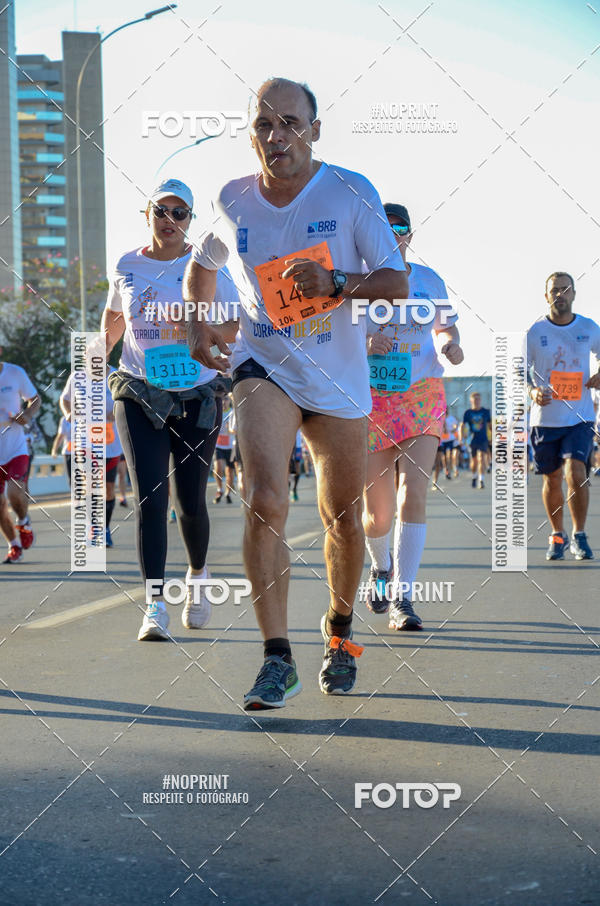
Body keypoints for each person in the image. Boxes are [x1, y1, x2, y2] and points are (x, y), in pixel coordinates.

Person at [185, 78, 408, 708]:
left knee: (343, 518)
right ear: (251, 134)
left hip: (338, 376)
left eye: (289, 122)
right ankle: (276, 658)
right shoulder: (232, 199)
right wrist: (198, 325)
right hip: (265, 365)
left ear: (314, 130)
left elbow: (396, 282)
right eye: (263, 124)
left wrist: (335, 281)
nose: (276, 135)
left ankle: (339, 630)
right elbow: (202, 264)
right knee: (264, 500)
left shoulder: (349, 191)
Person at [101, 178, 239, 639]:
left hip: (196, 393)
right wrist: (91, 360)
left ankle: (198, 576)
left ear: (190, 220)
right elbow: (114, 318)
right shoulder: (126, 264)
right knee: (150, 498)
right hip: (139, 389)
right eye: (161, 211)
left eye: (180, 213)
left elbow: (238, 322)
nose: (170, 220)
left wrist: (206, 332)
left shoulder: (207, 265)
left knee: (190, 501)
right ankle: (154, 605)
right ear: (147, 215)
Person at [362, 203, 463, 626]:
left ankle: (403, 598)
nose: (393, 235)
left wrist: (448, 345)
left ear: (409, 234)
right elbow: (333, 337)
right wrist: (366, 344)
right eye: (383, 228)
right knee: (377, 513)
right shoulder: (356, 282)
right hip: (371, 398)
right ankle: (381, 566)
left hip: (421, 394)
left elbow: (445, 326)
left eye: (399, 228)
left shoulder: (428, 280)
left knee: (413, 494)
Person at [527, 271, 600, 560]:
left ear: (573, 294)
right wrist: (532, 390)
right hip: (545, 419)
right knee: (552, 478)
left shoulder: (588, 327)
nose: (560, 294)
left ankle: (579, 535)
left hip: (580, 417)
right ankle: (558, 534)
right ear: (546, 296)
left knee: (576, 471)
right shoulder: (535, 332)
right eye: (555, 290)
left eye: (565, 289)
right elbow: (519, 368)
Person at [59, 369, 123, 547]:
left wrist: (116, 412)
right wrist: (68, 413)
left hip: (110, 443)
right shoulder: (76, 376)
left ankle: (105, 528)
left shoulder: (116, 375)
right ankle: (94, 527)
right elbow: (64, 399)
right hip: (85, 442)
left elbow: (128, 401)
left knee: (108, 490)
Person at [0, 355, 39, 564]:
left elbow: (36, 399)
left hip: (15, 447)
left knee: (14, 492)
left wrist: (27, 415)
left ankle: (23, 521)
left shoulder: (14, 373)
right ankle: (14, 546)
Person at [462, 392, 491, 488]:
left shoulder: (486, 411)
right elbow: (462, 425)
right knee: (474, 461)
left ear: (480, 400)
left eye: (478, 399)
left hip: (483, 439)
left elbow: (490, 425)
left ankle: (481, 480)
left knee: (481, 458)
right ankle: (474, 476)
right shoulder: (468, 413)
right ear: (471, 401)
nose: (477, 401)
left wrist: (493, 436)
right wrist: (462, 436)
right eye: (475, 399)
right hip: (472, 440)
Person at [213, 396, 235, 503]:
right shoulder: (216, 412)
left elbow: (236, 429)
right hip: (218, 445)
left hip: (231, 446)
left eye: (226, 399)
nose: (223, 402)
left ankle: (228, 493)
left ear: (230, 400)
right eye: (221, 399)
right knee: (218, 467)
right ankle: (219, 489)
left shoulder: (233, 413)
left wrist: (230, 429)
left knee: (229, 472)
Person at [51, 414, 72, 486]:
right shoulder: (65, 419)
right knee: (72, 479)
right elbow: (60, 436)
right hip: (69, 453)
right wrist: (54, 450)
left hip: (85, 452)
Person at [289, 428, 302, 502]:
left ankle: (294, 489)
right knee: (287, 466)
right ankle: (288, 489)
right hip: (286, 442)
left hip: (297, 444)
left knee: (297, 466)